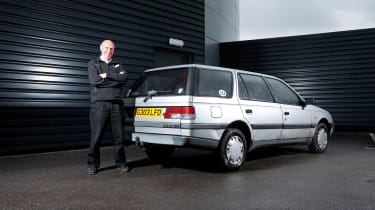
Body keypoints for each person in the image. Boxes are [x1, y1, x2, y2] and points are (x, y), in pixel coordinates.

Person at [87, 39, 129, 175]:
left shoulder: (118, 64)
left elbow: (123, 79)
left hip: (117, 106)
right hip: (100, 105)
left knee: (119, 137)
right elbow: (95, 81)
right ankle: (92, 164)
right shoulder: (93, 64)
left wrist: (107, 76)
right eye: (106, 48)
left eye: (111, 49)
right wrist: (114, 79)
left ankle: (121, 163)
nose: (109, 51)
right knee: (96, 137)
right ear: (100, 48)